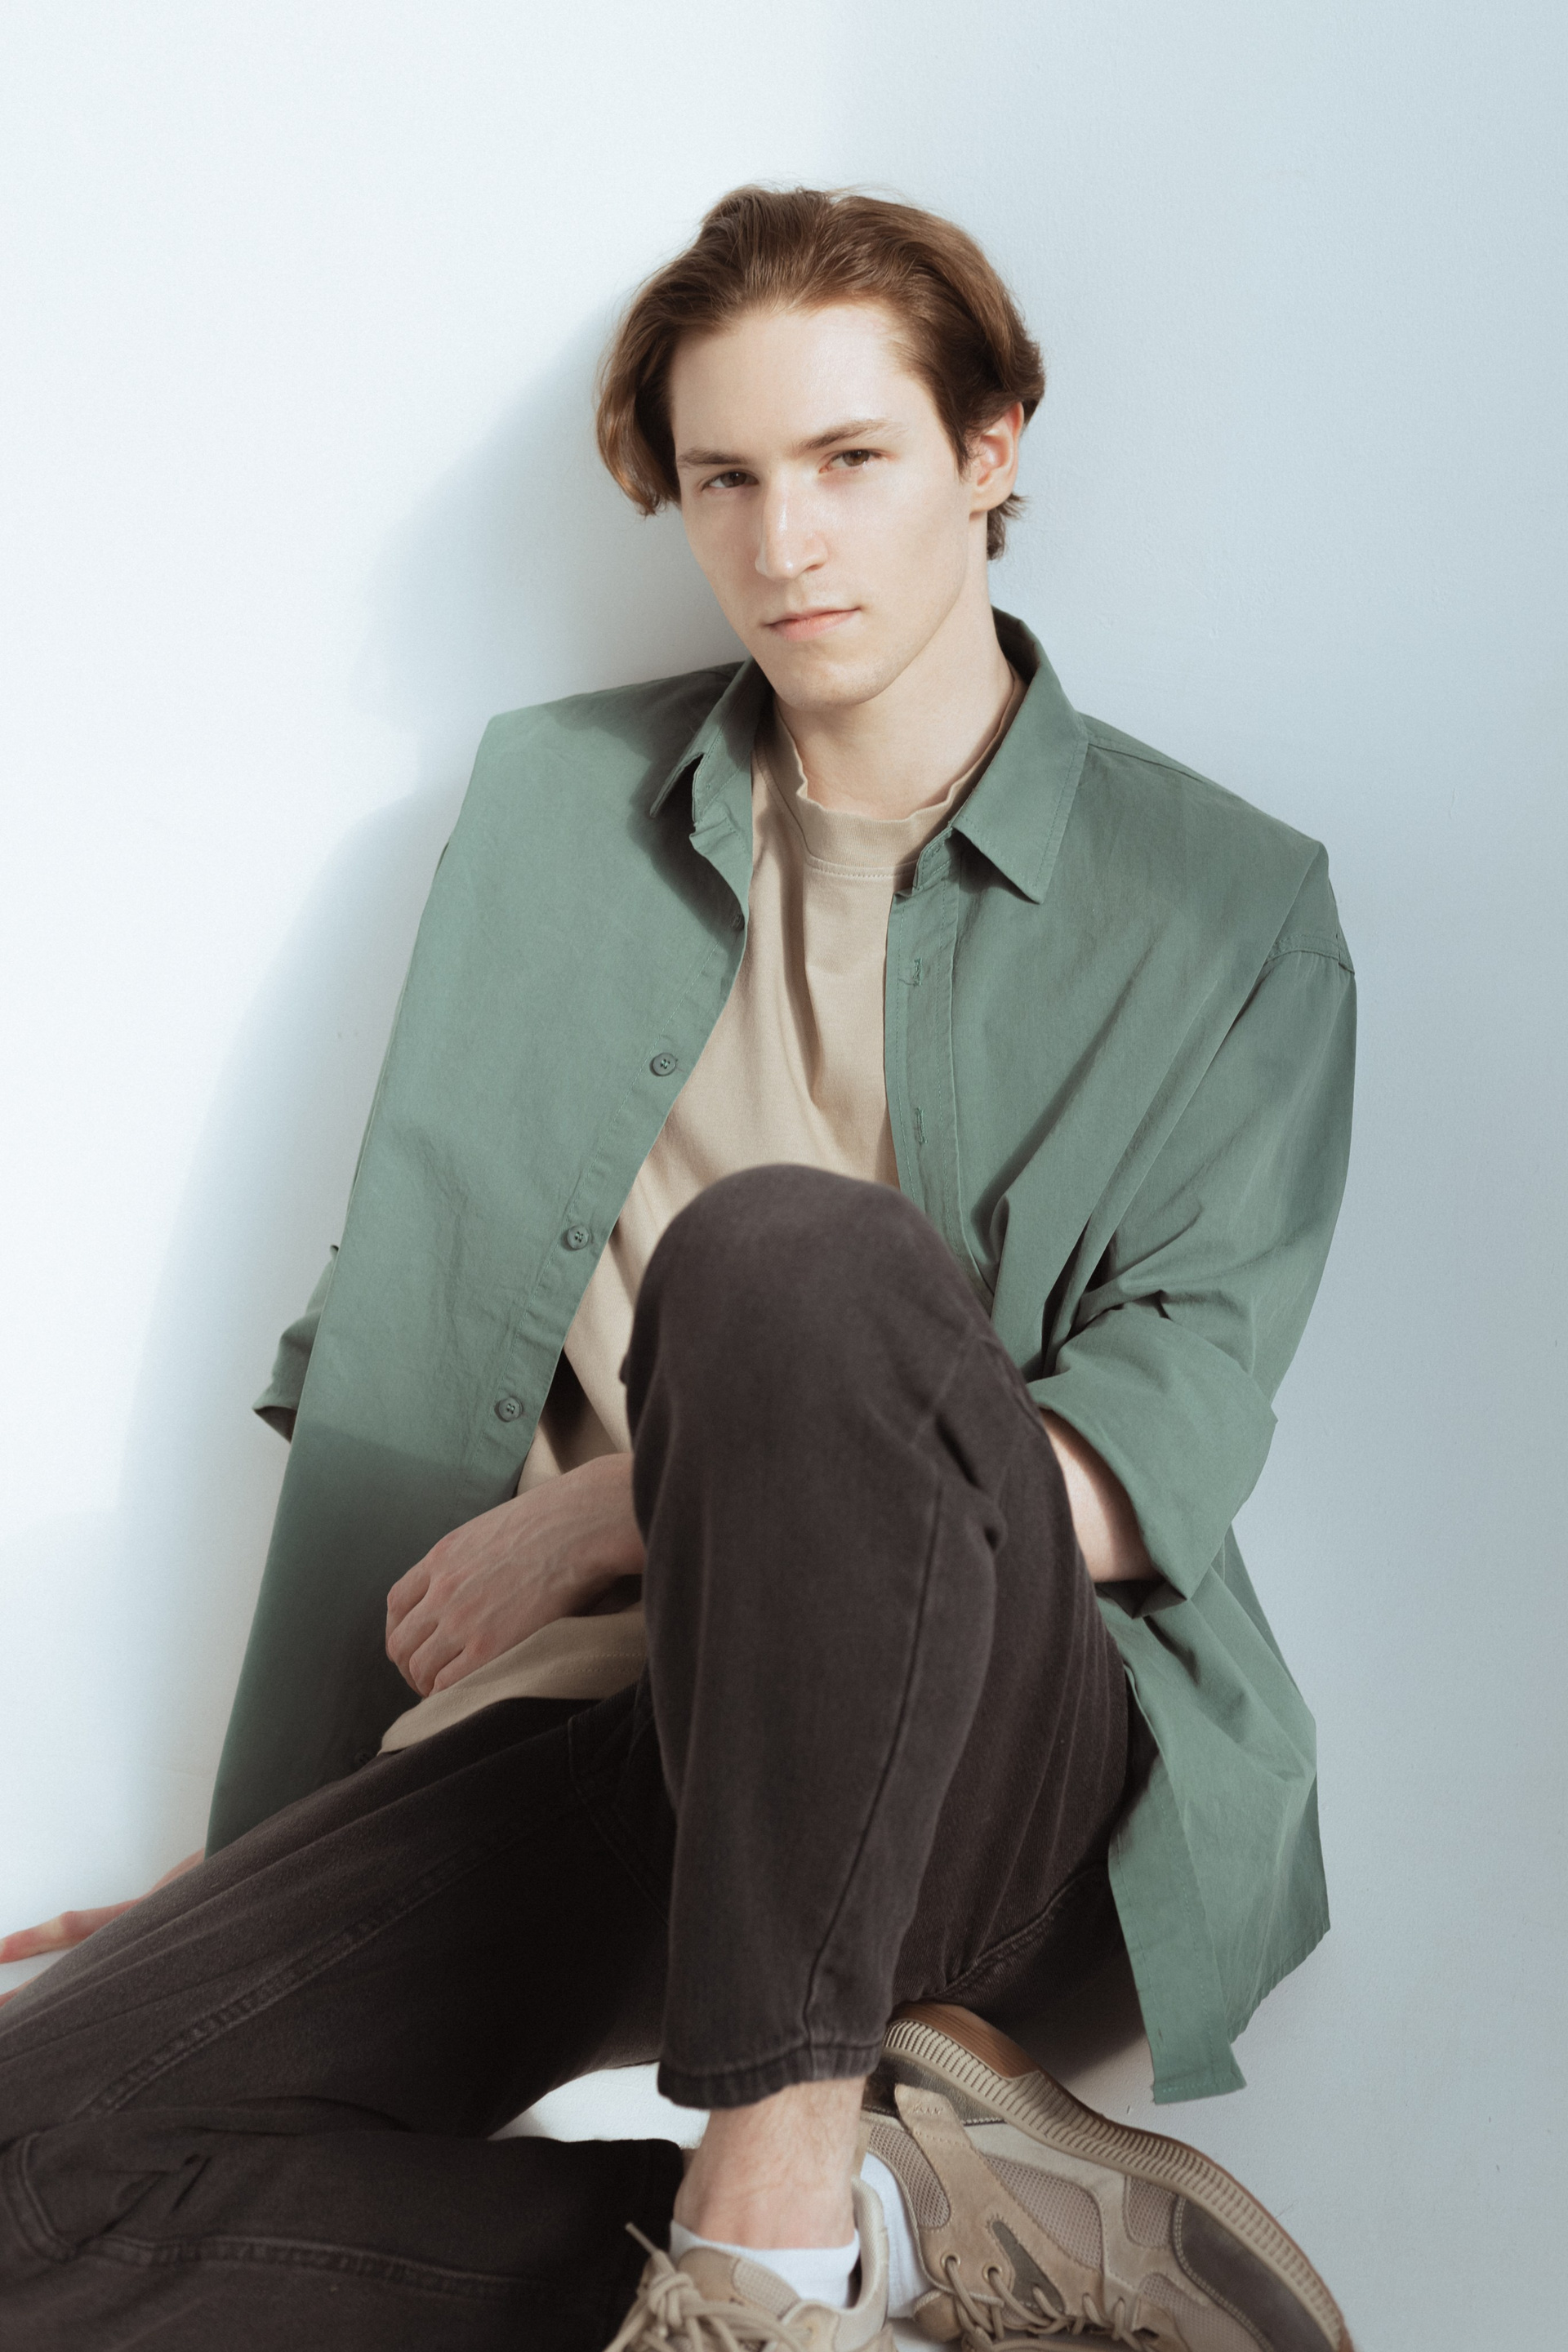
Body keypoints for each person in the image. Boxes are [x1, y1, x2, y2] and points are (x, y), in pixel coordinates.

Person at [0, 186, 1358, 2351]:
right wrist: (267, 1878)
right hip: (595, 1746)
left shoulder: (1227, 903)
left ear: (989, 449)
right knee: (28, 2167)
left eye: (850, 460)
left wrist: (638, 1495)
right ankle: (922, 2237)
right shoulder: (555, 810)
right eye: (725, 479)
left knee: (786, 1262)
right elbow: (404, 1373)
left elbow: (1151, 1455)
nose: (783, 542)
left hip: (982, 1755)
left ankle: (771, 2226)